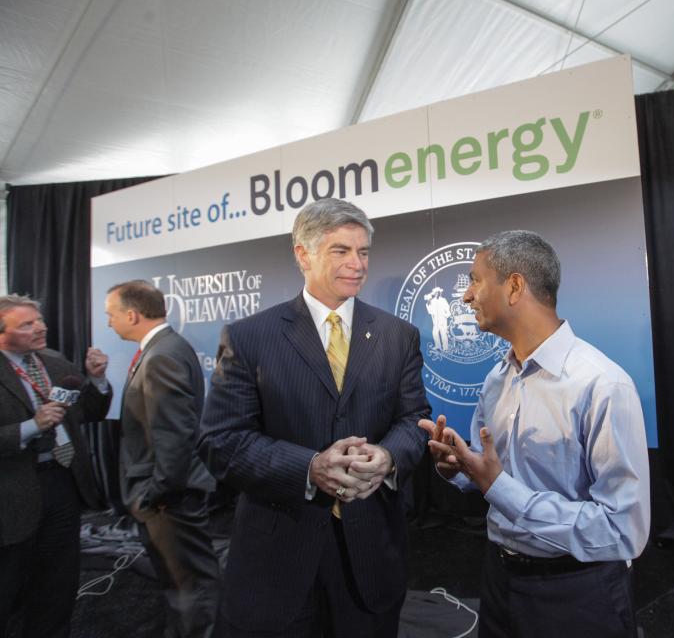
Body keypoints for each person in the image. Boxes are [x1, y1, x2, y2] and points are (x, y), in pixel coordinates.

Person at [197, 198, 430, 638]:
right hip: (278, 556)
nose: (357, 264)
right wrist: (308, 468)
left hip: (371, 554)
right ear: (302, 254)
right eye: (340, 251)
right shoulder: (251, 337)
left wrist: (387, 456)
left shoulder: (399, 336)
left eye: (363, 252)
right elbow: (221, 441)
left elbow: (414, 419)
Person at [418, 230, 650, 638]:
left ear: (514, 287)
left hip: (576, 593)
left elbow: (622, 530)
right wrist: (460, 467)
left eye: (475, 280)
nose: (466, 296)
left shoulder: (602, 385)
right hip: (498, 578)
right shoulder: (495, 380)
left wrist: (498, 487)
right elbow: (492, 472)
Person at [104, 280, 220, 638]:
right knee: (183, 582)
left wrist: (159, 493)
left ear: (132, 314)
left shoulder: (162, 354)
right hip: (170, 492)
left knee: (188, 585)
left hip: (170, 497)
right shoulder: (166, 347)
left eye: (111, 315)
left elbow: (173, 434)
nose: (108, 323)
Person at [0, 294, 112, 638]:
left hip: (62, 485)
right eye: (27, 324)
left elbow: (88, 413)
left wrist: (96, 380)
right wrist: (33, 425)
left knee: (57, 585)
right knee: (11, 586)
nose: (41, 328)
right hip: (12, 492)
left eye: (40, 320)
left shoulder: (54, 362)